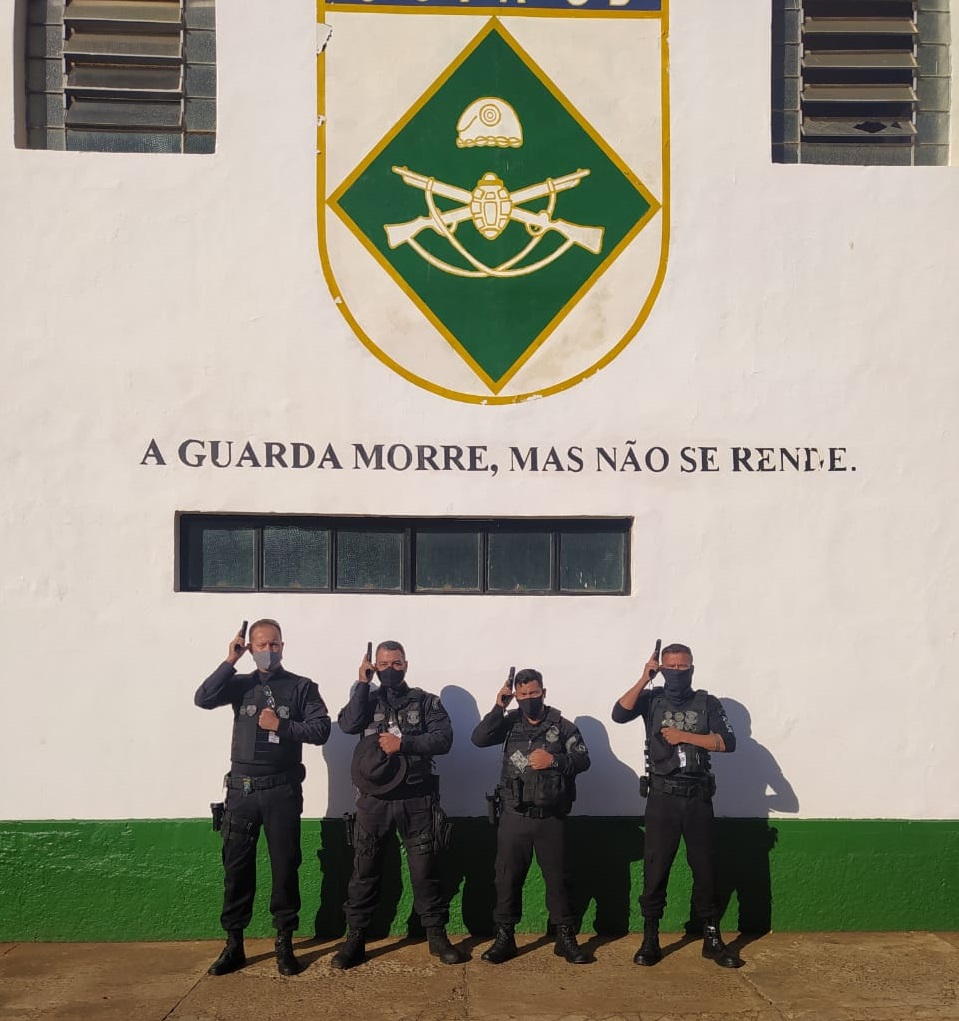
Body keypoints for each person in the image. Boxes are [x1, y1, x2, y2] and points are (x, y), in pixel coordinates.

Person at [195, 619, 331, 976]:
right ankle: (234, 944)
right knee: (236, 869)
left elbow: (321, 730)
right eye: (260, 645)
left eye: (273, 644)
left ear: (282, 646)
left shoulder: (301, 688)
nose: (268, 651)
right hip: (241, 792)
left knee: (285, 867)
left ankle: (284, 944)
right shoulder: (238, 685)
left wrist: (282, 727)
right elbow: (203, 698)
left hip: (281, 792)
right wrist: (230, 661)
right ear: (250, 648)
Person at [330, 640, 462, 969]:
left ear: (406, 664)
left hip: (416, 798)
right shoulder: (366, 699)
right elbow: (347, 725)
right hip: (374, 801)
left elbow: (444, 739)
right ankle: (356, 938)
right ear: (375, 666)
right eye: (384, 665)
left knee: (425, 869)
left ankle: (436, 934)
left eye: (397, 663)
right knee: (365, 869)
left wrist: (404, 744)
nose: (391, 669)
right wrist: (362, 683)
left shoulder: (426, 701)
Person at [612, 641, 740, 968]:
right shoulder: (652, 699)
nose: (677, 672)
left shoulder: (706, 702)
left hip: (697, 797)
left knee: (706, 870)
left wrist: (685, 736)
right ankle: (650, 937)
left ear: (692, 668)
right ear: (662, 669)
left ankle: (711, 937)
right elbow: (619, 713)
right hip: (662, 798)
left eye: (683, 667)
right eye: (671, 666)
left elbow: (728, 742)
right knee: (656, 869)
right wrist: (644, 677)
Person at [471, 668, 591, 965]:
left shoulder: (563, 727)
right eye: (522, 695)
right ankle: (505, 937)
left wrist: (555, 760)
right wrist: (500, 705)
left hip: (551, 816)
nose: (527, 699)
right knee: (507, 878)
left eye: (533, 694)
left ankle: (565, 938)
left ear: (543, 692)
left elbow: (583, 759)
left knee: (558, 879)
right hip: (514, 815)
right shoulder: (508, 723)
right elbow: (479, 738)